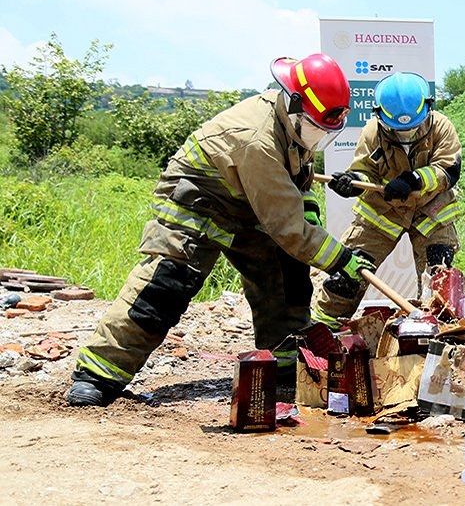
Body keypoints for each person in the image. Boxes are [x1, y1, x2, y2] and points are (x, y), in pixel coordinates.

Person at [67, 53, 376, 406]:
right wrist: (340, 259)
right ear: (293, 104)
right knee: (165, 285)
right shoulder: (256, 139)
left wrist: (314, 231)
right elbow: (287, 226)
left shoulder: (294, 126)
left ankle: (284, 367)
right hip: (200, 200)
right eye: (315, 128)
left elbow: (296, 193)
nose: (318, 138)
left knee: (286, 277)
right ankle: (99, 372)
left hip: (251, 203)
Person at [312, 72, 461, 327]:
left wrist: (414, 180)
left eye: (413, 128)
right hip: (382, 213)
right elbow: (364, 171)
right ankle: (323, 329)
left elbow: (448, 169)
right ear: (379, 115)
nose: (406, 134)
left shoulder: (441, 126)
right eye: (399, 131)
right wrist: (351, 182)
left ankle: (431, 334)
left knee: (438, 279)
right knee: (348, 274)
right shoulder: (372, 132)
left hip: (430, 212)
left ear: (428, 108)